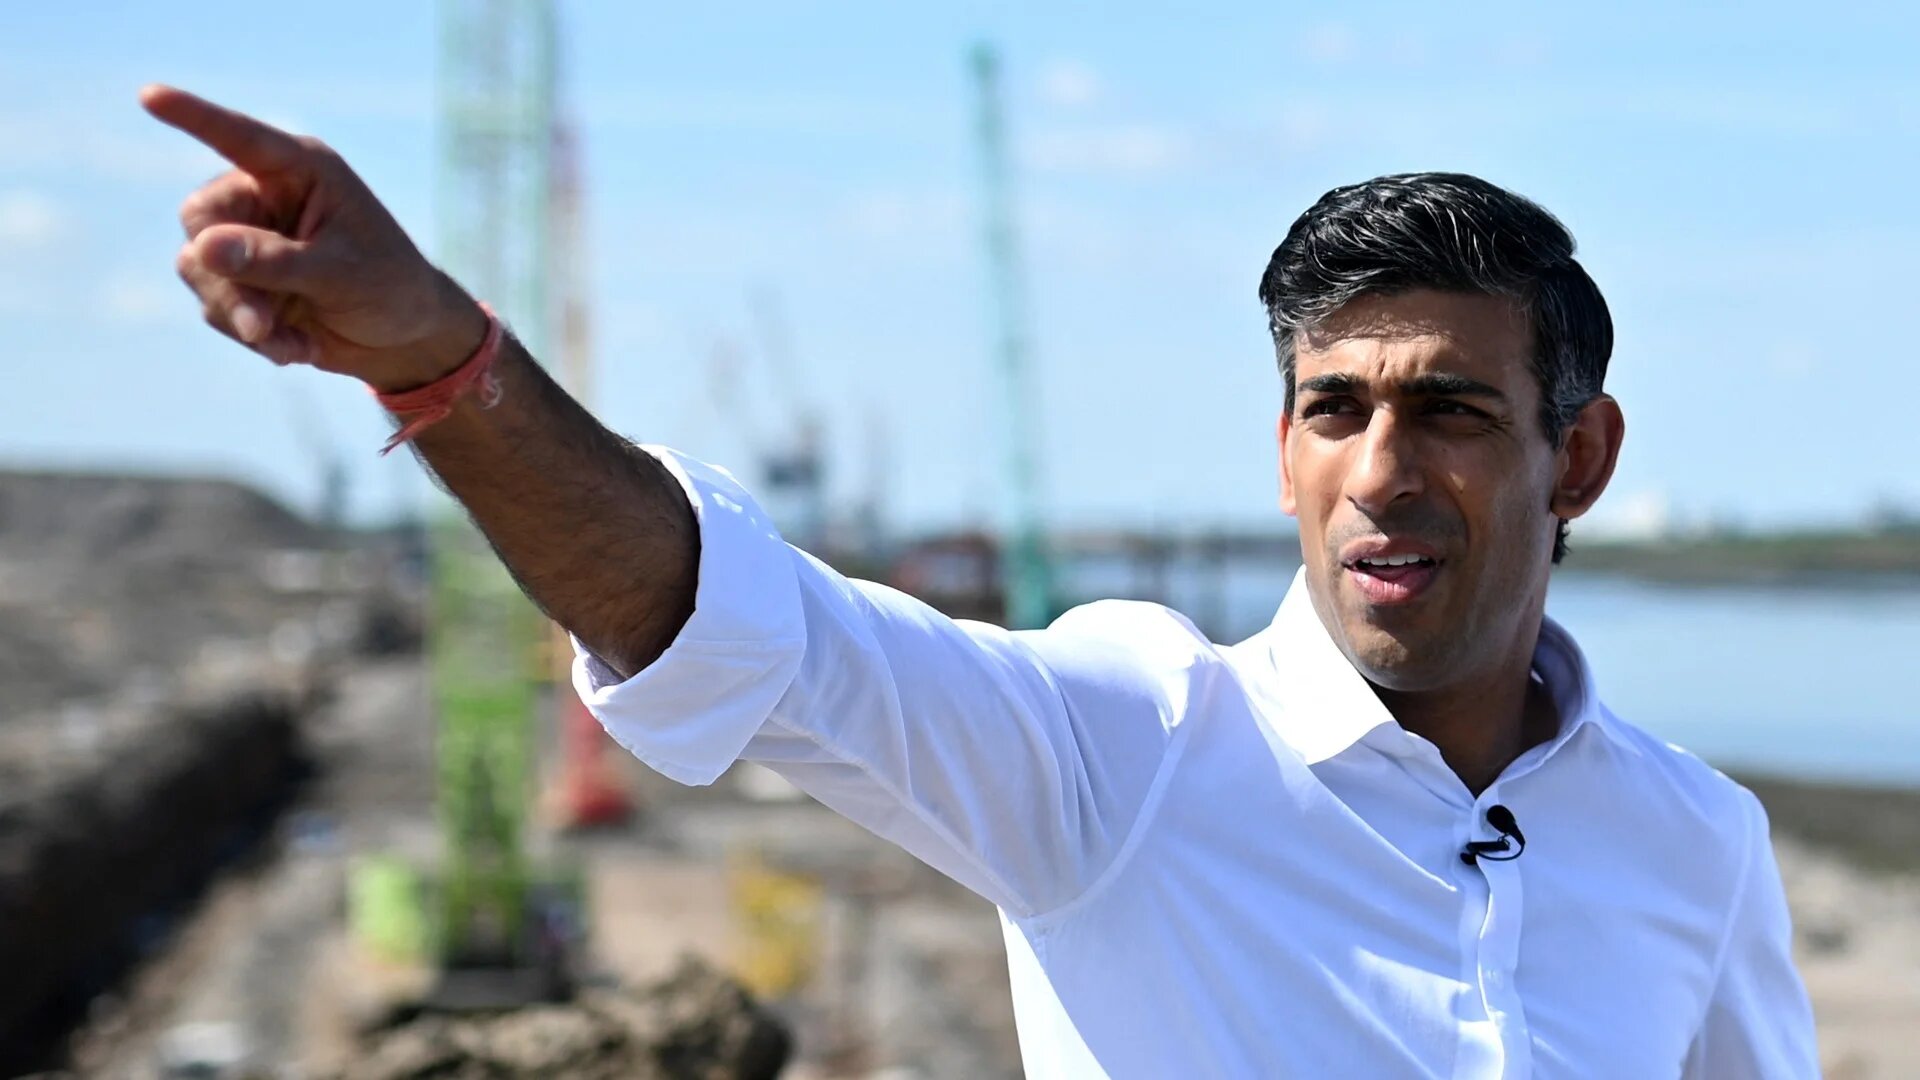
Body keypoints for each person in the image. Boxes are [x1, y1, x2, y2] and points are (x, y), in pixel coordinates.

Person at [142, 84, 1818, 1078]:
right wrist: (438, 362)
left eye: (1450, 411)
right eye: (1334, 410)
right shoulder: (1125, 747)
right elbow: (728, 621)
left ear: (1579, 459)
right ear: (1284, 449)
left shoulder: (1698, 842)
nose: (1378, 470)